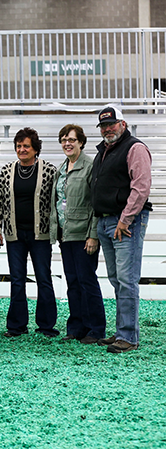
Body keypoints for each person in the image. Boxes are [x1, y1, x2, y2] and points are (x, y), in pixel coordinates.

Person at [91, 105, 152, 354]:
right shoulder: (104, 151)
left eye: (111, 124)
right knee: (117, 280)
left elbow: (141, 187)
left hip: (126, 222)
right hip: (106, 221)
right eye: (103, 126)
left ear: (123, 124)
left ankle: (128, 336)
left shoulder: (135, 148)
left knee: (127, 280)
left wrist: (125, 220)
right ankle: (121, 332)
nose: (107, 129)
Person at [0, 127, 59, 338]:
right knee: (17, 279)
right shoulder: (7, 170)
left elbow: (57, 201)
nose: (22, 149)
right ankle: (16, 325)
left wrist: (57, 229)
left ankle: (46, 325)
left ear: (35, 149)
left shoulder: (49, 170)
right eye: (19, 146)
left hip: (41, 235)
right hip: (15, 234)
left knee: (43, 278)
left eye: (26, 146)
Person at [49, 124, 105, 344]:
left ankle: (95, 329)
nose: (67, 143)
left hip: (84, 235)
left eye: (71, 139)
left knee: (87, 281)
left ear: (81, 142)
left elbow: (95, 204)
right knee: (72, 282)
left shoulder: (90, 166)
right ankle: (76, 327)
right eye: (64, 140)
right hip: (66, 234)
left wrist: (93, 235)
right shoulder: (62, 168)